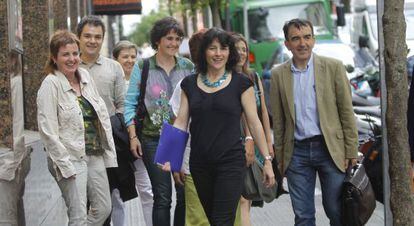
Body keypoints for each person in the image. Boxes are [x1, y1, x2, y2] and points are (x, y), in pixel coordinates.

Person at [173, 27, 275, 226]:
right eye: (212, 48)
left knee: (222, 220)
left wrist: (268, 161)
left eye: (224, 48)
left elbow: (254, 123)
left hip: (230, 163)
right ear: (204, 52)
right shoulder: (189, 84)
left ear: (230, 52)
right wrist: (171, 157)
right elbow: (181, 121)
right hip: (199, 163)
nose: (218, 54)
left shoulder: (242, 83)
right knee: (214, 220)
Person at [269, 18, 358, 226]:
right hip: (297, 153)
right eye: (296, 38)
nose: (303, 43)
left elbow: (346, 111)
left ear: (314, 40)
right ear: (287, 44)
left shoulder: (333, 67)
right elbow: (279, 121)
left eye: (307, 37)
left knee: (336, 210)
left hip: (331, 149)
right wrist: (281, 157)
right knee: (303, 215)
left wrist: (351, 150)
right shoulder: (278, 74)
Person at [37, 30, 117, 225]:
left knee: (104, 208)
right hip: (70, 157)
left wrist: (110, 155)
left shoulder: (86, 77)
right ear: (54, 58)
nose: (72, 59)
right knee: (78, 215)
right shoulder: (51, 84)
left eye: (75, 53)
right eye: (65, 54)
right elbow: (47, 131)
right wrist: (64, 164)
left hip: (95, 153)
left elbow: (102, 117)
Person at [124, 17, 194, 226]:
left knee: (184, 195)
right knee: (163, 197)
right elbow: (129, 104)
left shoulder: (187, 67)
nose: (174, 43)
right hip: (153, 139)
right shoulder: (143, 67)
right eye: (169, 38)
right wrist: (133, 136)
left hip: (182, 139)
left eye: (177, 38)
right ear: (158, 40)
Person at [76, 15, 126, 225]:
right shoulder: (69, 65)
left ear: (103, 39)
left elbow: (123, 104)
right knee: (80, 203)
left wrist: (119, 127)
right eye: (87, 36)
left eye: (97, 37)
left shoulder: (113, 67)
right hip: (76, 145)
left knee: (105, 200)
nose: (92, 41)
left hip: (105, 145)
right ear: (78, 37)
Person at [231, 33, 274, 226]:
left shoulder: (254, 76)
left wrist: (268, 143)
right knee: (241, 197)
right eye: (237, 49)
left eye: (244, 49)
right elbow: (242, 113)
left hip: (257, 142)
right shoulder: (229, 78)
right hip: (238, 140)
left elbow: (263, 111)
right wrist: (248, 138)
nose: (241, 53)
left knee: (248, 194)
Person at [112, 40, 154, 226]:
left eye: (132, 57)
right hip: (117, 144)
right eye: (124, 57)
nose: (129, 60)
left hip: (138, 142)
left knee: (146, 189)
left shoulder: (142, 80)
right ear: (115, 59)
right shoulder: (112, 80)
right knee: (116, 193)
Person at [0, 52, 30, 226]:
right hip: (9, 162)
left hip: (9, 164)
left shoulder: (16, 83)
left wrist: (9, 165)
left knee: (6, 219)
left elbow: (18, 126)